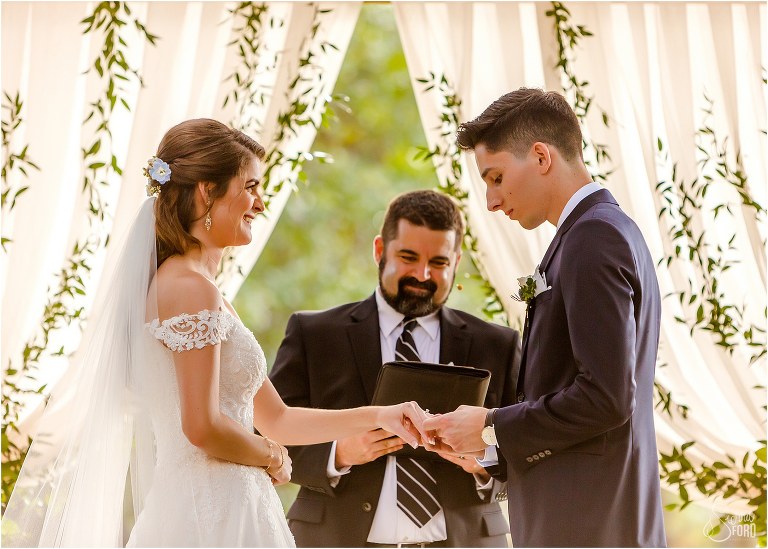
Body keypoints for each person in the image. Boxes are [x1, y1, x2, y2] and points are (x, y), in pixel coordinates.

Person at [1, 119, 429, 548]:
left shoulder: (203, 291)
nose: (260, 203)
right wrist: (269, 455)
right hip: (206, 518)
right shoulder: (188, 288)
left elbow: (277, 418)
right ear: (208, 191)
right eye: (251, 186)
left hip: (232, 508)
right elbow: (201, 427)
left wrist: (380, 414)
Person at [421, 88, 667, 547]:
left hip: (590, 525)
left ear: (540, 156)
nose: (491, 201)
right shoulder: (602, 231)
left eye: (495, 177)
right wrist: (492, 452)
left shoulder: (593, 237)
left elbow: (607, 398)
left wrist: (491, 422)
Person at [269, 189, 522, 547]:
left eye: (438, 262)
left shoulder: (498, 344)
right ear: (379, 250)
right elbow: (269, 433)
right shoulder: (314, 334)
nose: (422, 274)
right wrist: (339, 453)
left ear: (457, 261)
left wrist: (485, 461)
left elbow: (528, 446)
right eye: (408, 257)